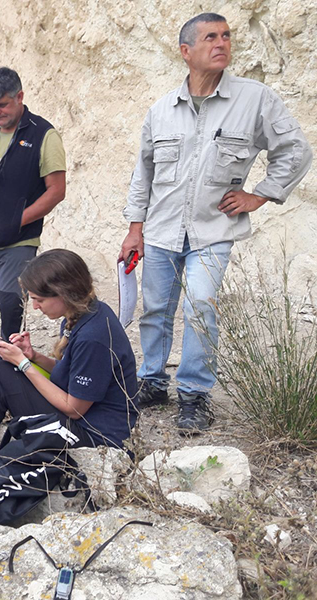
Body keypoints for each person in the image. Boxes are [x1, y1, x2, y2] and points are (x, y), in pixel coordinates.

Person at [119, 13, 312, 433]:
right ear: (186, 52)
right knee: (154, 309)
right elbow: (143, 175)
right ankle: (152, 382)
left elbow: (295, 150)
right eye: (211, 37)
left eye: (226, 36)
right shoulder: (160, 111)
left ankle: (194, 393)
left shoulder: (255, 99)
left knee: (200, 305)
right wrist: (135, 228)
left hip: (213, 231)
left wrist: (259, 194)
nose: (222, 43)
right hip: (163, 230)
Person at [0, 250, 138, 465]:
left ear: (64, 293)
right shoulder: (84, 313)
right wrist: (34, 356)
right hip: (86, 420)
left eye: (39, 300)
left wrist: (24, 363)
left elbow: (74, 409)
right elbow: (71, 373)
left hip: (97, 437)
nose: (36, 307)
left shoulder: (92, 337)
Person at [0, 67, 67, 381]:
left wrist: (16, 221)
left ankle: (8, 363)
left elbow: (56, 190)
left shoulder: (44, 135)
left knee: (10, 304)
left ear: (20, 96)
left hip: (18, 243)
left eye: (2, 105)